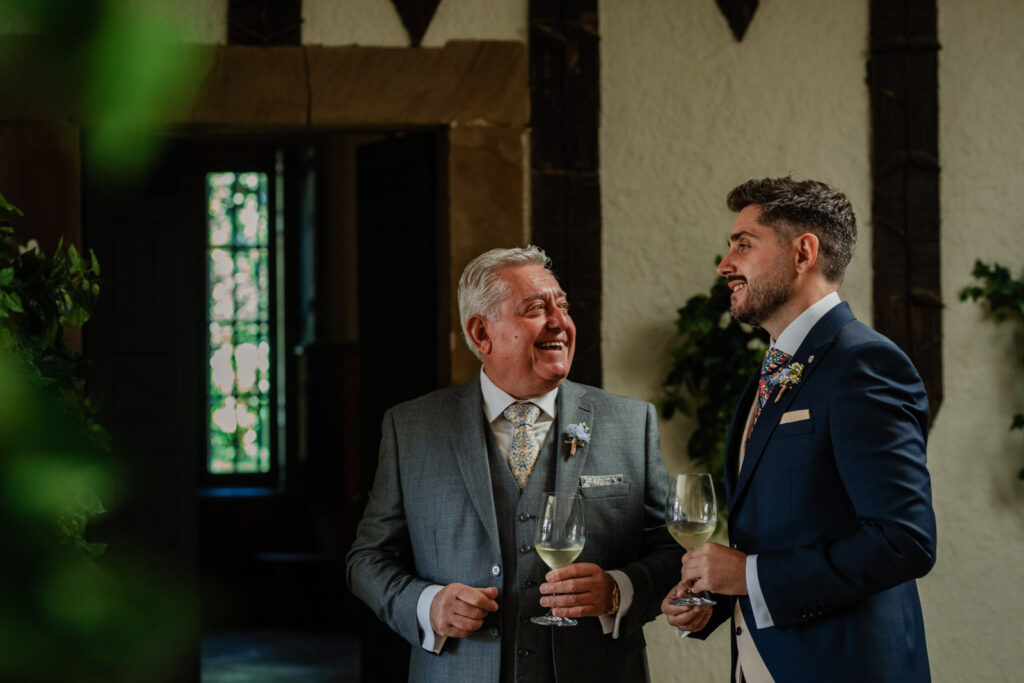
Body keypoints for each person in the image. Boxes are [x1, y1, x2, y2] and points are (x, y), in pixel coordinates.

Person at [347, 246, 679, 682]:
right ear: (482, 334)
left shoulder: (631, 423)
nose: (560, 321)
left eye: (562, 305)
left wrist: (619, 590)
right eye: (536, 308)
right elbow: (367, 559)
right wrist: (427, 605)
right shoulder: (411, 428)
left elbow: (673, 550)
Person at [662, 177, 937, 682]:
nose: (725, 266)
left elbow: (904, 541)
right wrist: (716, 597)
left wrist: (747, 575)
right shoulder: (768, 374)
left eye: (743, 244)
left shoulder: (865, 364)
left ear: (803, 252)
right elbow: (785, 535)